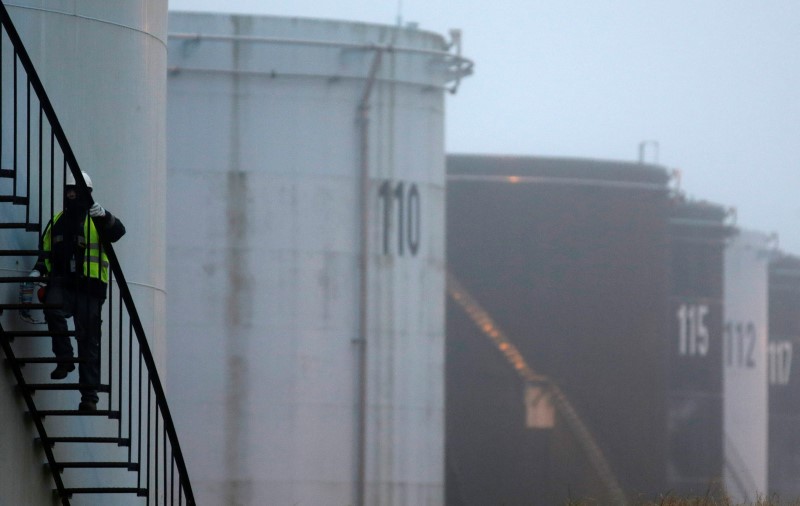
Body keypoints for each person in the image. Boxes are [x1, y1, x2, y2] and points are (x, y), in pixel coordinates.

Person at [26, 170, 125, 412]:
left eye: (76, 190)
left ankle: (89, 397)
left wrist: (106, 216)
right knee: (52, 308)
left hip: (91, 287)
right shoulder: (57, 220)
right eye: (68, 190)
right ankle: (65, 360)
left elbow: (118, 232)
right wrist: (38, 271)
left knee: (89, 341)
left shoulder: (96, 219)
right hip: (64, 282)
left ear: (86, 193)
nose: (71, 194)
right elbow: (46, 250)